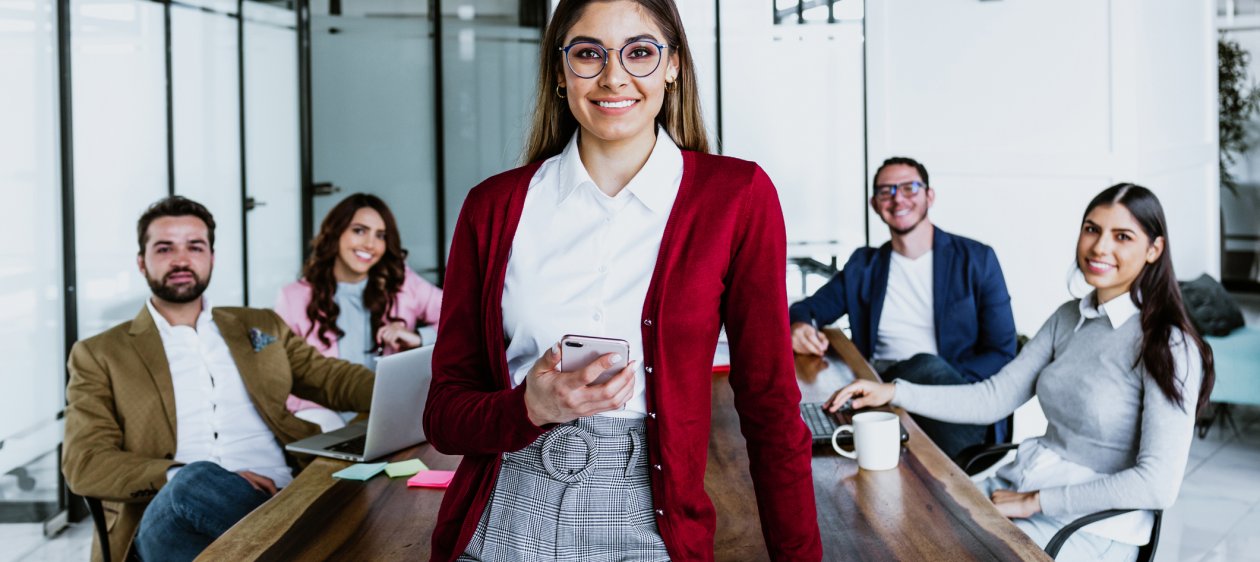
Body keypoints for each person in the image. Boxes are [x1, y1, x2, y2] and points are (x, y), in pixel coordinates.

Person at [422, 0, 822, 560]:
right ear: (560, 72)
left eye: (640, 52)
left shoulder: (736, 198)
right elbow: (443, 416)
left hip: (652, 524)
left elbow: (771, 408)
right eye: (588, 54)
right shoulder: (492, 207)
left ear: (673, 65)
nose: (614, 76)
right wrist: (530, 408)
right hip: (507, 516)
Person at [828, 184, 1215, 562]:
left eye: (1123, 236)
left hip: (1092, 526)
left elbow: (1157, 485)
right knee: (895, 523)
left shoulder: (1168, 345)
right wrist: (894, 392)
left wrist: (1037, 502)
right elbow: (993, 397)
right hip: (1025, 486)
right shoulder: (1069, 317)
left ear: (1154, 249)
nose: (1100, 247)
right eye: (1092, 229)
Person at [62, 196, 375, 562]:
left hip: (282, 492)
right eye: (164, 248)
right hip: (170, 520)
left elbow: (334, 379)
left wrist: (411, 389)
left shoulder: (258, 325)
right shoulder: (100, 354)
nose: (181, 260)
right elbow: (85, 462)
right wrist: (177, 474)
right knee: (195, 481)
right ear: (141, 263)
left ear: (212, 256)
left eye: (195, 247)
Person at [788, 156, 1017, 458]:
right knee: (815, 433)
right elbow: (808, 308)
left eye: (909, 188)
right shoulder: (864, 266)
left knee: (925, 366)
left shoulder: (976, 259)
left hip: (954, 404)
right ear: (875, 204)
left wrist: (920, 387)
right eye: (887, 191)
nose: (898, 199)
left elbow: (1002, 351)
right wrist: (801, 325)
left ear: (929, 196)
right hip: (881, 393)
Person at [275, 193, 442, 430]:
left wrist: (419, 338)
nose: (370, 245)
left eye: (380, 236)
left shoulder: (403, 283)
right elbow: (282, 375)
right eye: (359, 231)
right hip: (321, 414)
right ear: (336, 232)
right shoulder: (293, 297)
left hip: (387, 409)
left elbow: (461, 319)